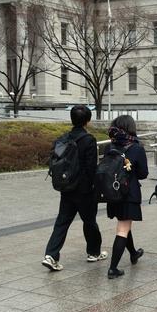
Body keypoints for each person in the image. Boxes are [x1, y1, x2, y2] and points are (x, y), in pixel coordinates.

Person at [42, 105, 107, 271]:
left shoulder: (63, 138)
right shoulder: (89, 140)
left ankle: (51, 255)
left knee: (62, 222)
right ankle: (93, 252)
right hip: (84, 190)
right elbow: (91, 168)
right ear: (88, 120)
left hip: (66, 187)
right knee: (89, 221)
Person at [106, 115, 148, 279]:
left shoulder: (111, 145)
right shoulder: (136, 147)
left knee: (124, 222)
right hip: (128, 193)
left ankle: (133, 253)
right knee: (123, 228)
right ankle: (113, 268)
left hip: (112, 192)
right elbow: (143, 174)